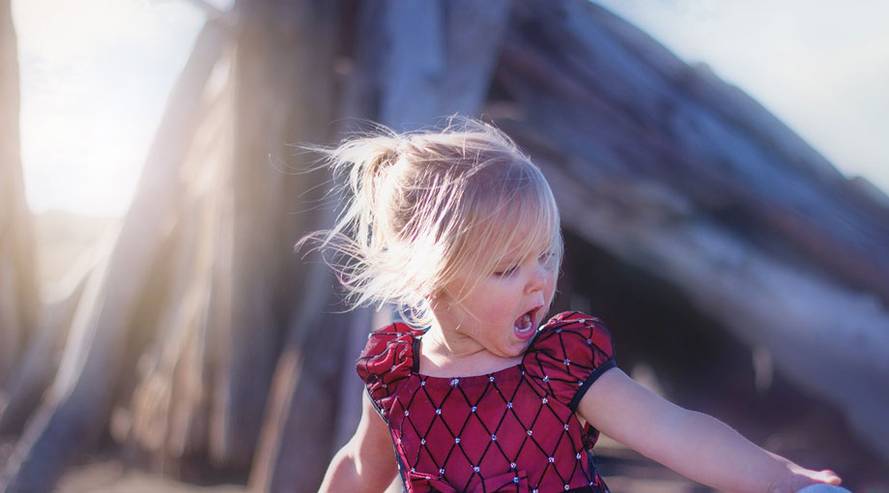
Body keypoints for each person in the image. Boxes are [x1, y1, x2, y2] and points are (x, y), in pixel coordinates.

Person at [302, 118, 846, 492]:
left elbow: (676, 432)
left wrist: (781, 480)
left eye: (545, 256)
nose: (539, 282)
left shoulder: (557, 366)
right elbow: (357, 466)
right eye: (506, 269)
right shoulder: (398, 380)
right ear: (432, 279)